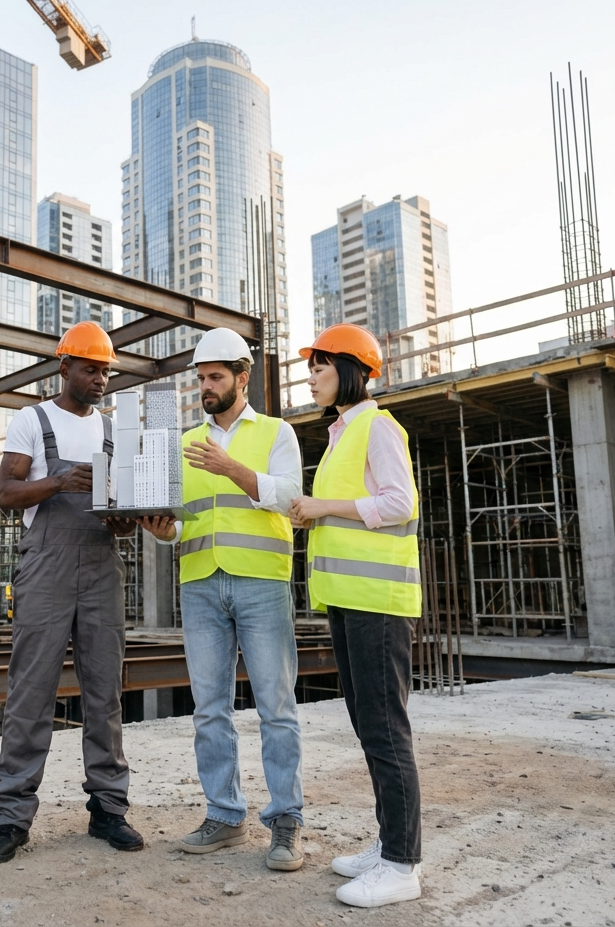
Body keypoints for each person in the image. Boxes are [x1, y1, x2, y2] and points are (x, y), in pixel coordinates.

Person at [139, 327, 306, 872]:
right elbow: (179, 525)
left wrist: (232, 468)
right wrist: (161, 530)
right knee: (210, 709)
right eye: (200, 379)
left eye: (214, 377)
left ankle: (285, 821)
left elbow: (289, 496)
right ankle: (224, 814)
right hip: (201, 584)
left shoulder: (277, 432)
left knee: (276, 708)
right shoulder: (186, 442)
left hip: (261, 583)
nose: (205, 387)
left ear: (242, 376)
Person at [0, 321, 143, 864]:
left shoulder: (115, 431)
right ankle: (12, 817)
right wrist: (60, 481)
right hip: (46, 563)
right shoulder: (32, 419)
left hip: (102, 561)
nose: (100, 379)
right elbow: (6, 492)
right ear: (64, 367)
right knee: (31, 692)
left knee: (105, 691)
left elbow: (121, 518)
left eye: (106, 371)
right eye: (91, 368)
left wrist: (129, 520)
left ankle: (108, 809)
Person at [288, 323, 423, 908]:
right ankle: (389, 842)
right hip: (349, 600)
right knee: (369, 725)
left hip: (378, 604)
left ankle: (401, 864)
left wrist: (323, 506)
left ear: (349, 369)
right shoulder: (343, 432)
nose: (311, 375)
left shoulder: (378, 425)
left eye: (319, 366)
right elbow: (358, 509)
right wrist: (317, 517)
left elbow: (400, 503)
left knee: (387, 729)